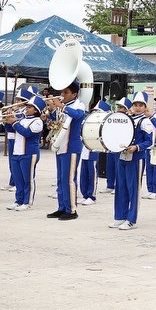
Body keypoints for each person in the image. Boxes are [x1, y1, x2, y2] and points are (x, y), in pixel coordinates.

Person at [109, 92, 153, 231]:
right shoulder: (127, 118)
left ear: (145, 107)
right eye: (135, 105)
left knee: (133, 189)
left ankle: (132, 220)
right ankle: (120, 216)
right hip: (123, 156)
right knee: (120, 187)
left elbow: (149, 141)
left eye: (141, 105)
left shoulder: (145, 121)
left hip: (136, 158)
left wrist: (137, 147)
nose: (138, 107)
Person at [47, 80, 87, 221]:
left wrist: (60, 106)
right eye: (62, 92)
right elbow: (54, 121)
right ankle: (62, 207)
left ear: (74, 94)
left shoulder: (79, 104)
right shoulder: (62, 106)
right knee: (60, 179)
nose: (62, 95)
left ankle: (71, 210)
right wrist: (52, 110)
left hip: (71, 146)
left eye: (66, 92)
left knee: (69, 179)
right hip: (60, 145)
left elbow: (78, 115)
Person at [4, 93, 44, 211]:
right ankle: (18, 200)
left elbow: (27, 133)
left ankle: (27, 202)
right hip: (17, 152)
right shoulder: (22, 119)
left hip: (29, 153)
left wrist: (14, 122)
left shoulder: (38, 121)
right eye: (27, 107)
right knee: (18, 179)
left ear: (36, 110)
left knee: (28, 179)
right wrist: (7, 120)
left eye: (29, 107)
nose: (26, 109)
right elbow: (10, 129)